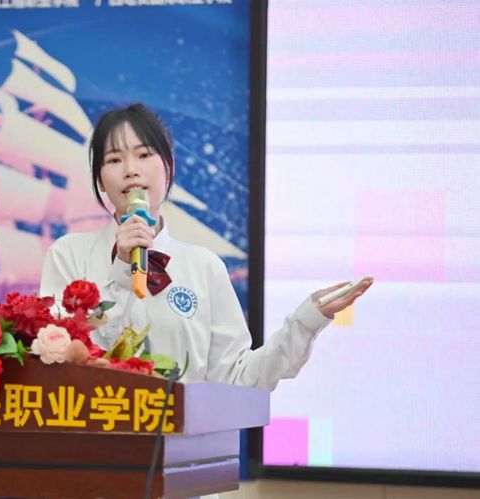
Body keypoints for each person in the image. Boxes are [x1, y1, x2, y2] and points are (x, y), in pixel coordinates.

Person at [39, 103, 373, 390]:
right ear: (99, 179)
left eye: (144, 155)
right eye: (114, 160)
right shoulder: (69, 255)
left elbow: (237, 378)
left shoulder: (204, 267)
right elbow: (61, 360)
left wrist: (306, 321)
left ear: (168, 166)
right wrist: (123, 268)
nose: (131, 170)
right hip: (95, 435)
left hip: (180, 442)